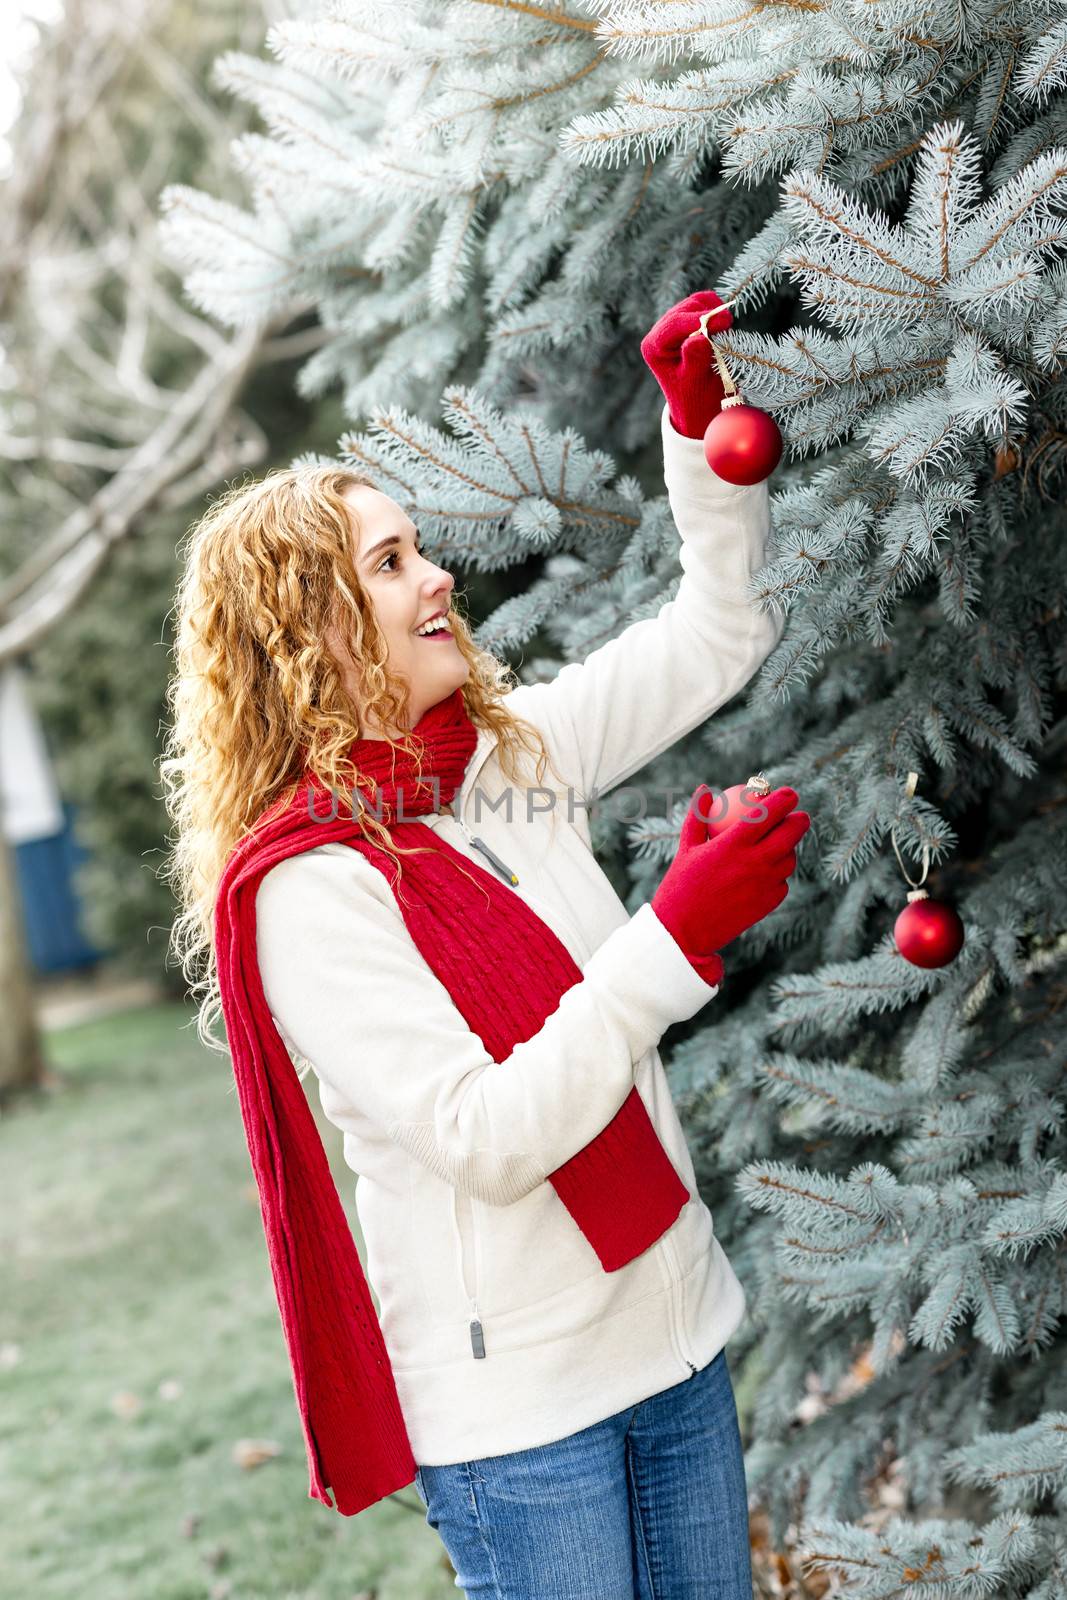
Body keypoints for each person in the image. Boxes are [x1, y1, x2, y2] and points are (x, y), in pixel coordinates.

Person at [160, 289, 810, 1600]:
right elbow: (489, 1135)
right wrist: (670, 934)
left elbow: (715, 635)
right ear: (311, 638)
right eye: (389, 565)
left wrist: (695, 440)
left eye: (418, 548)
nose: (437, 574)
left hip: (678, 1344)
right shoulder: (309, 893)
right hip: (524, 1424)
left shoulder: (502, 763)